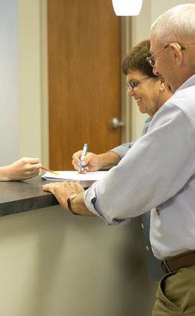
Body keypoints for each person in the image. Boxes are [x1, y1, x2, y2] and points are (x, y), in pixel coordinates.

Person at [43, 4, 195, 315]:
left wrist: (76, 201)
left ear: (176, 53)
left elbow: (125, 193)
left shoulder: (184, 108)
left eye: (155, 59)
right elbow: (144, 150)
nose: (158, 69)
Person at [72, 40, 172, 281]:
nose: (130, 92)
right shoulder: (157, 118)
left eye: (135, 84)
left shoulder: (174, 120)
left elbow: (127, 188)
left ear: (161, 80)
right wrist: (100, 160)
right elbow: (137, 147)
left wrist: (74, 201)